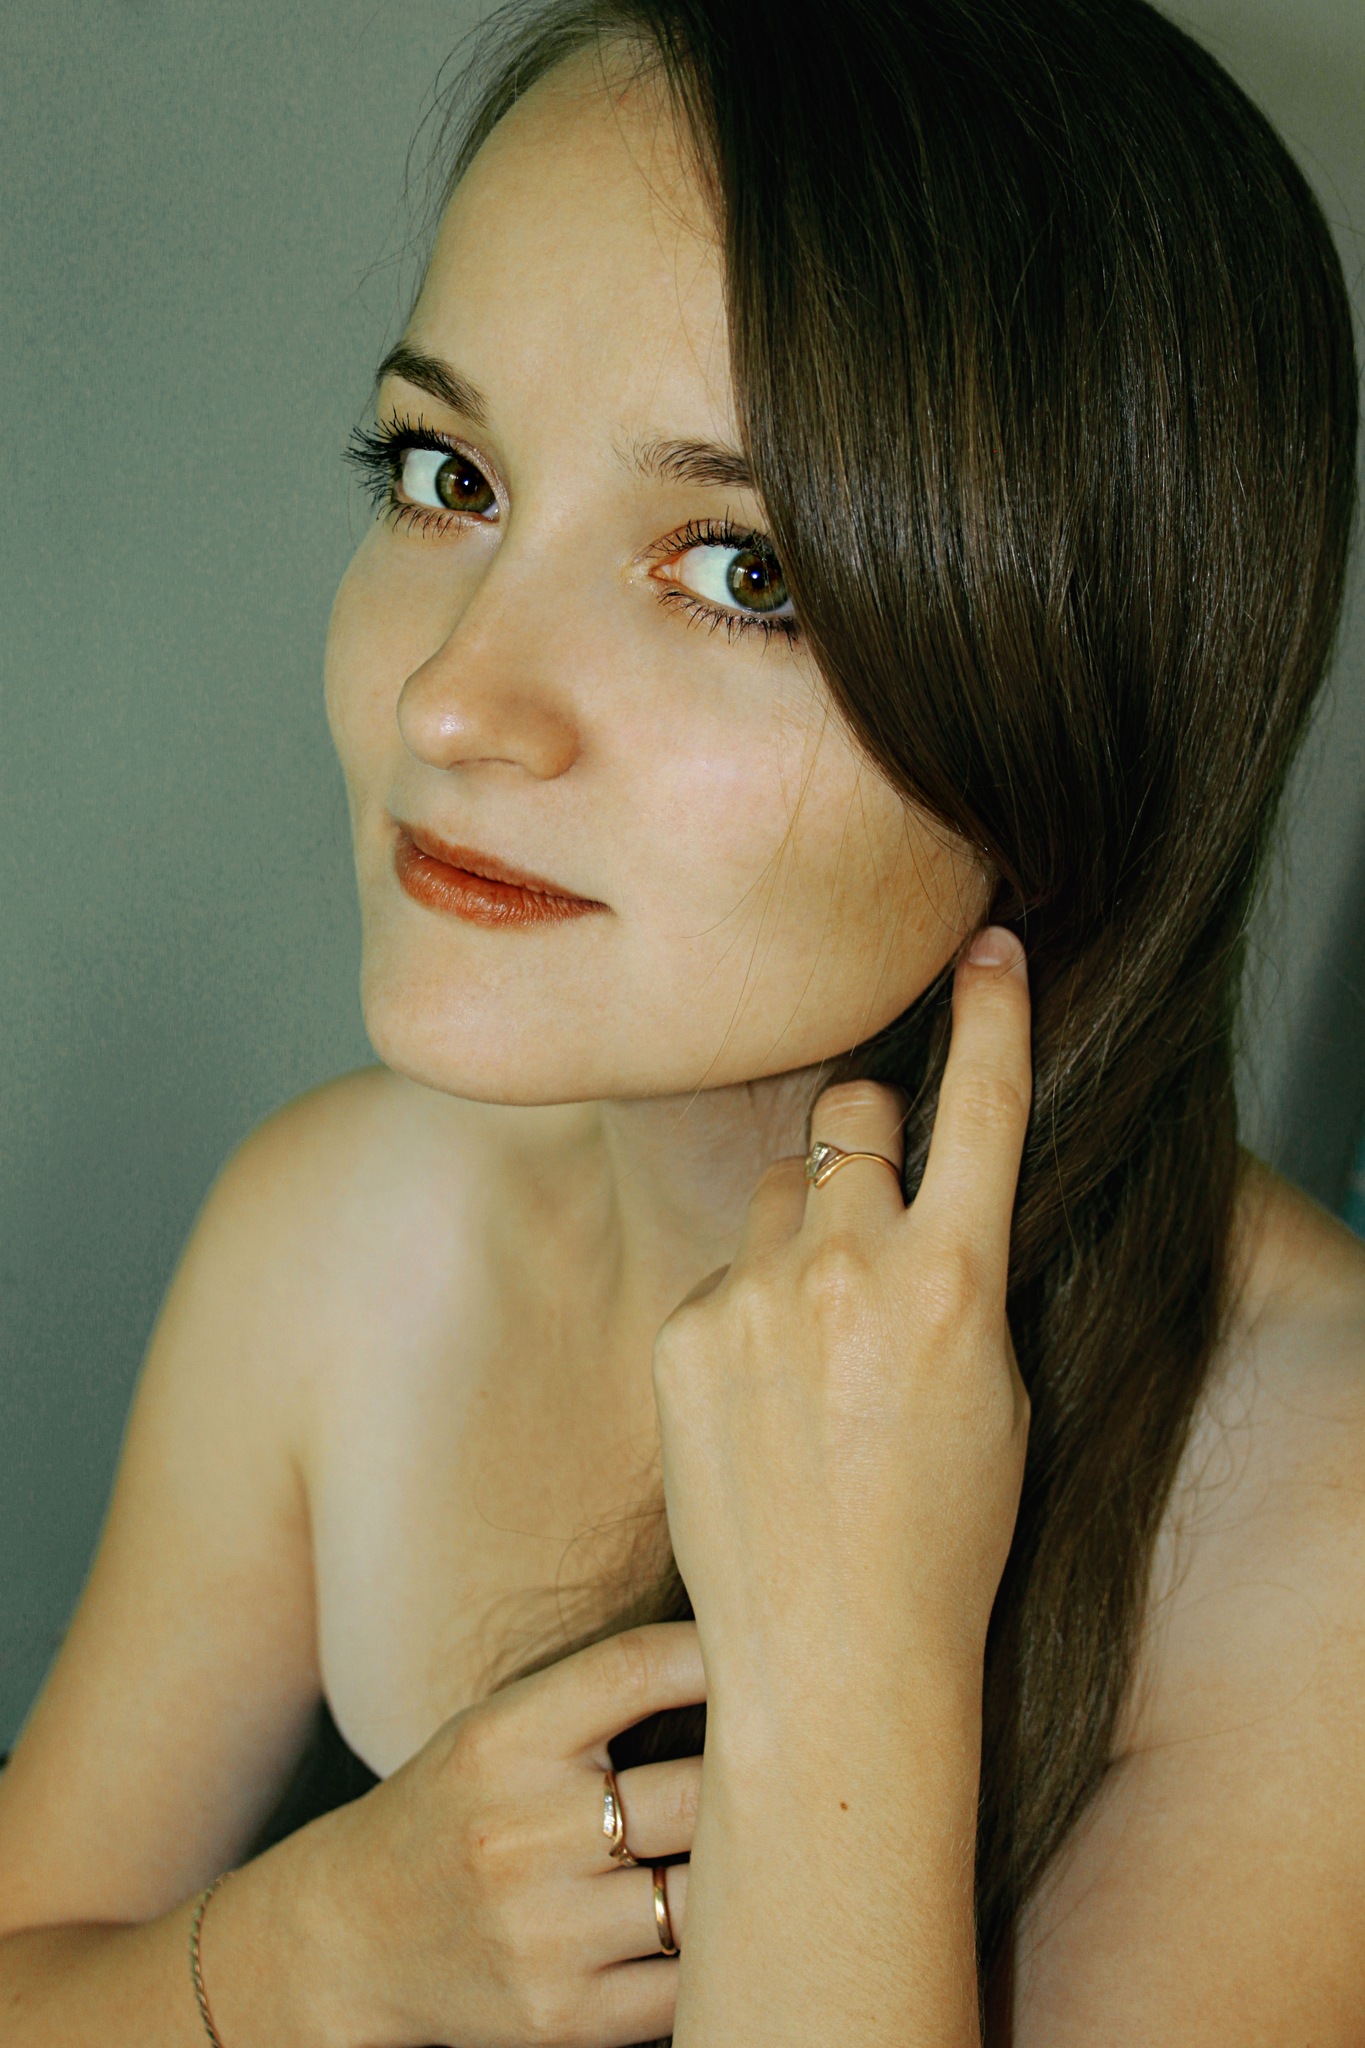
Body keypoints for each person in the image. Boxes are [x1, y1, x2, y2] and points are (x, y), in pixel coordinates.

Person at [1, 0, 1362, 2040]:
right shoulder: (339, 1238)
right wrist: (321, 1942)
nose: (452, 700)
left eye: (738, 570)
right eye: (447, 474)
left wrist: (847, 1671)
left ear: (1089, 704)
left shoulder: (1313, 1521)